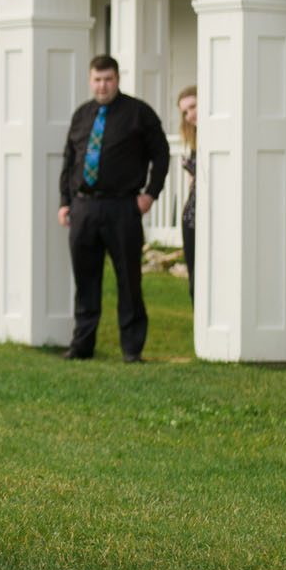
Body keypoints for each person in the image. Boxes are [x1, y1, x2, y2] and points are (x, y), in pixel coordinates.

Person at [56, 57, 170, 363]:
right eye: (97, 79)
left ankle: (132, 349)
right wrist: (65, 202)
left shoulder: (138, 113)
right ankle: (82, 346)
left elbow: (162, 154)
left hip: (123, 207)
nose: (102, 85)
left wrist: (150, 195)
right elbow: (69, 161)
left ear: (117, 79)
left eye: (107, 79)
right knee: (85, 279)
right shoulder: (82, 115)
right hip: (84, 208)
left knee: (129, 279)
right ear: (90, 80)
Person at [176, 84, 198, 304]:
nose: (190, 115)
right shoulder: (194, 140)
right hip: (192, 217)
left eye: (193, 106)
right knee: (195, 281)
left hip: (213, 216)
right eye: (185, 112)